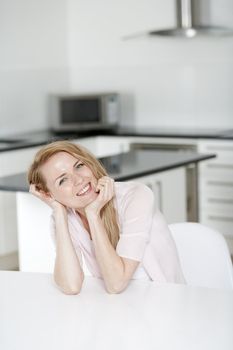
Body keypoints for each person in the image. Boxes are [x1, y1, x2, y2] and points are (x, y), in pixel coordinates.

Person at [28, 140, 185, 295]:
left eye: (79, 166)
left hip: (164, 300)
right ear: (49, 194)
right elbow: (71, 285)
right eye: (63, 180)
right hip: (115, 306)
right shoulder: (64, 217)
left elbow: (116, 284)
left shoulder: (135, 196)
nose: (79, 179)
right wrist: (58, 212)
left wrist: (93, 214)